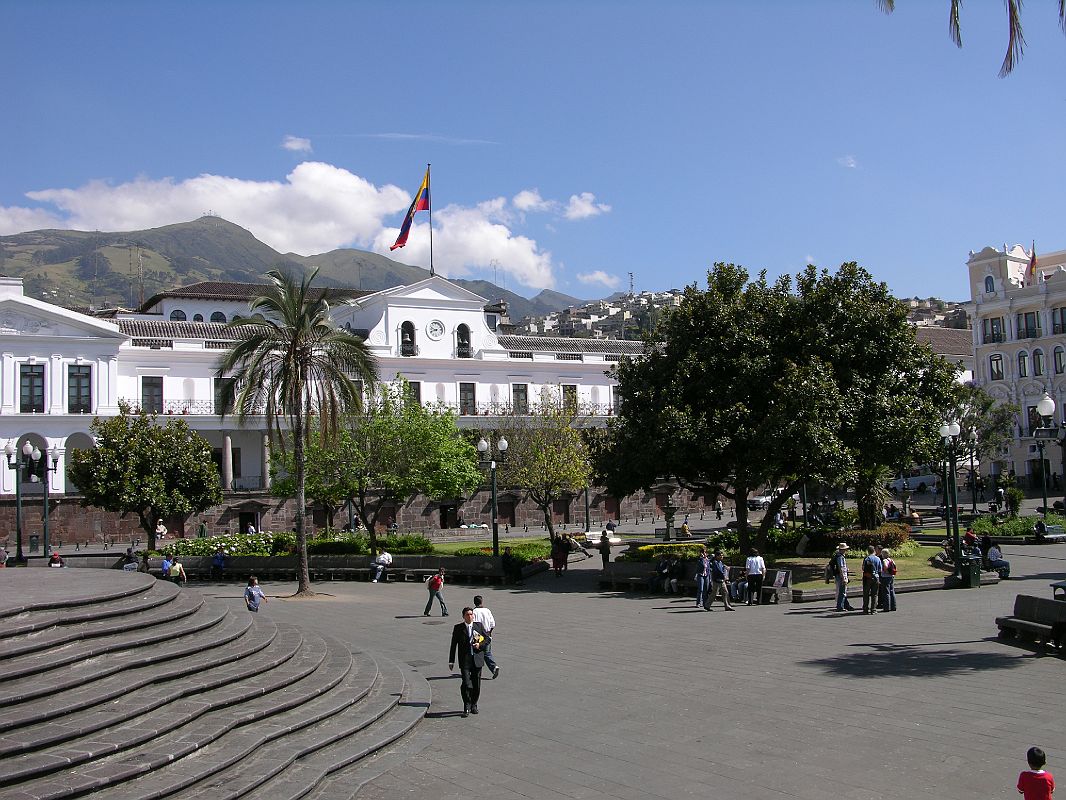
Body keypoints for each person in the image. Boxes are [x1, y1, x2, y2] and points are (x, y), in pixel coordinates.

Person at [448, 607, 489, 717]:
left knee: (476, 684)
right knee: (466, 684)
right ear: (463, 616)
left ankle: (474, 704)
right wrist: (451, 661)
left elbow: (487, 639)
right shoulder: (458, 628)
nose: (470, 616)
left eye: (471, 614)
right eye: (467, 615)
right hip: (465, 660)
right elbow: (453, 645)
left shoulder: (478, 626)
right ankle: (466, 705)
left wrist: (479, 645)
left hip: (477, 659)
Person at [471, 595, 499, 678]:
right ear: (482, 602)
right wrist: (489, 633)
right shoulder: (487, 610)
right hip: (487, 633)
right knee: (487, 652)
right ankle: (493, 667)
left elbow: (474, 625)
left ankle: (477, 670)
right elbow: (492, 623)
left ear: (474, 602)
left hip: (478, 635)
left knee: (477, 652)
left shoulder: (474, 612)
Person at [831, 542, 855, 612]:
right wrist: (844, 578)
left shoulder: (837, 556)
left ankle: (844, 605)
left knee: (841, 591)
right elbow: (841, 568)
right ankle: (840, 607)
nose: (846, 551)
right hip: (841, 576)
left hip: (838, 575)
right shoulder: (840, 557)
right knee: (842, 592)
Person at [861, 545, 882, 614]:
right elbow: (880, 569)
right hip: (876, 577)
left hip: (867, 577)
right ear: (874, 551)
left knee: (866, 594)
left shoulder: (866, 558)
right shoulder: (878, 559)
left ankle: (865, 609)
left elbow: (863, 568)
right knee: (874, 594)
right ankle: (873, 609)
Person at [878, 547, 897, 612]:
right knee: (892, 591)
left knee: (886, 592)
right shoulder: (891, 560)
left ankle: (886, 607)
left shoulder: (884, 560)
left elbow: (885, 567)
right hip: (891, 577)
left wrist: (885, 571)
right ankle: (893, 606)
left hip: (885, 577)